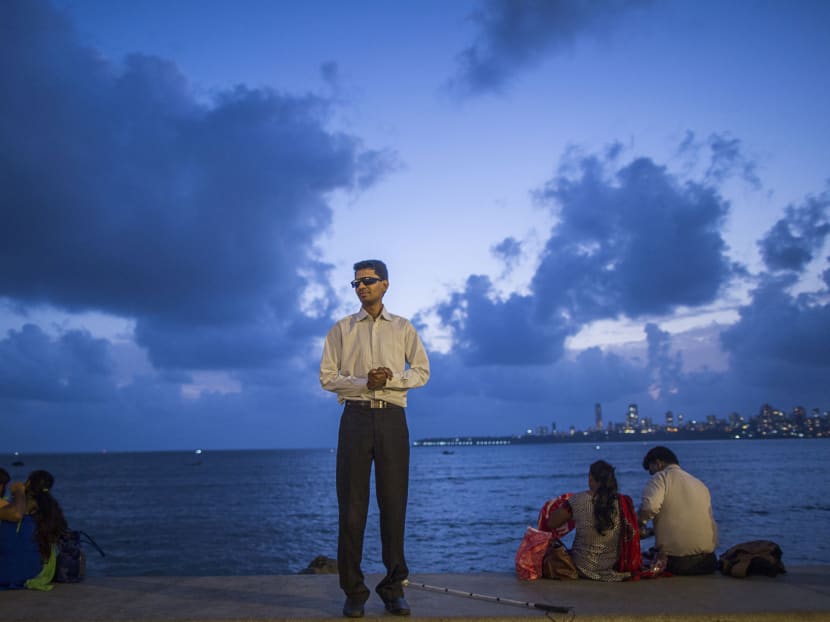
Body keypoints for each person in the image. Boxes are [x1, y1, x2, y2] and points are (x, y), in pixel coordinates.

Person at [320, 259, 430, 618]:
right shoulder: (341, 329)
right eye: (356, 283)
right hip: (354, 417)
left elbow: (422, 372)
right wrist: (363, 383)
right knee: (351, 509)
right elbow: (327, 377)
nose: (362, 287)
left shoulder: (402, 328)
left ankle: (393, 588)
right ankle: (353, 592)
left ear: (385, 284)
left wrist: (391, 380)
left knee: (394, 506)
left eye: (368, 281)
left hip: (393, 419)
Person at [544, 460, 639, 581]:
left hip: (583, 566)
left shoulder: (578, 500)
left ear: (591, 478)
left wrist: (558, 505)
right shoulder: (622, 502)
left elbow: (552, 523)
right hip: (612, 566)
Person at [638, 446, 718, 575]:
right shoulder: (699, 483)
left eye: (651, 470)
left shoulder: (660, 478)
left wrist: (639, 521)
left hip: (678, 563)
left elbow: (649, 507)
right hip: (708, 561)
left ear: (657, 463)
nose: (651, 474)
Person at [0, 470, 68, 590]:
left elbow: (15, 514)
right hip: (34, 574)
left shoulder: (9, 508)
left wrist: (19, 492)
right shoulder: (51, 513)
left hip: (5, 575)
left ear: (28, 484)